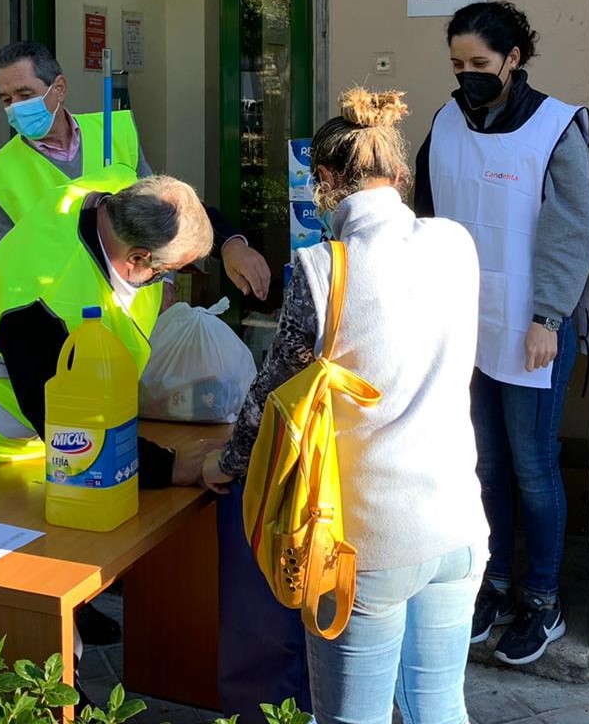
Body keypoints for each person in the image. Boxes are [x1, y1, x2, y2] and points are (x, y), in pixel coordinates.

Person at [204, 88, 490, 724]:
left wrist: (223, 465)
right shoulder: (455, 244)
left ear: (324, 180)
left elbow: (271, 399)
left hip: (367, 539)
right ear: (398, 174)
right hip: (459, 526)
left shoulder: (320, 268)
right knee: (440, 707)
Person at [0, 175, 221, 643]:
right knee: (1, 583)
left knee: (72, 536)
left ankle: (77, 612)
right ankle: (47, 677)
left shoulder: (116, 195)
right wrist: (170, 465)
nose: (166, 285)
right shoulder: (44, 304)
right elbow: (72, 434)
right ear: (137, 259)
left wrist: (232, 241)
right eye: (166, 273)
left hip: (45, 424)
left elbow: (181, 207)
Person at [413, 0, 589, 667]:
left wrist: (549, 317)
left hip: (532, 329)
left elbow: (571, 230)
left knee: (534, 467)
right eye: (458, 64)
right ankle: (491, 587)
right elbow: (426, 212)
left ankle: (540, 602)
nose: (467, 76)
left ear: (514, 59)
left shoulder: (556, 125)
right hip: (466, 324)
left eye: (480, 64)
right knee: (483, 465)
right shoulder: (445, 122)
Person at [0, 42, 271, 300]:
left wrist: (227, 244)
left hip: (136, 309)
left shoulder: (115, 133)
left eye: (25, 95)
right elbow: (14, 274)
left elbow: (164, 213)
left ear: (59, 88)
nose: (15, 108)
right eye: (6, 100)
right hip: (66, 328)